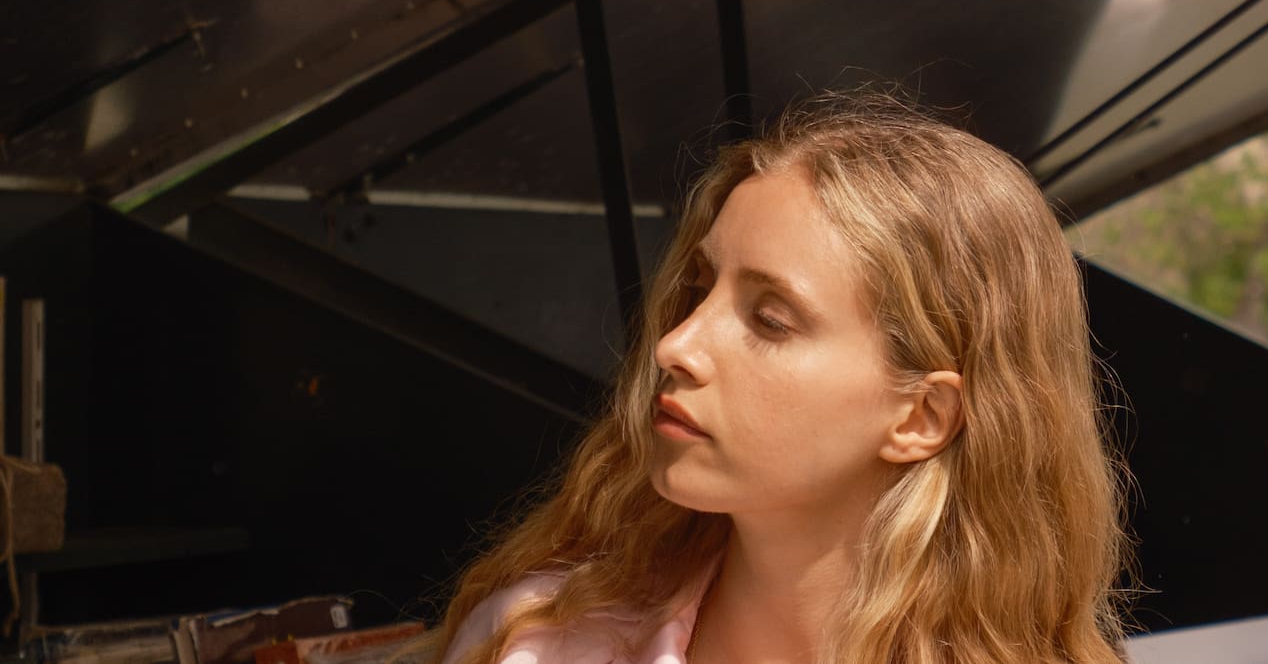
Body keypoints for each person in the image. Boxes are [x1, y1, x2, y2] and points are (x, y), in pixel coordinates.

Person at [418, 93, 1132, 664]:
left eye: (771, 319)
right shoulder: (535, 645)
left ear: (921, 416)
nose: (676, 342)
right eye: (698, 287)